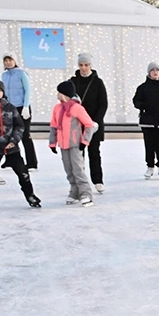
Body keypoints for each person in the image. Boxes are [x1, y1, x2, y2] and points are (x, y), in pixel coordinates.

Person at [0, 78, 40, 209]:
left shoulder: (10, 107)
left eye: (0, 90)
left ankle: (30, 195)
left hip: (12, 147)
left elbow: (19, 126)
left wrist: (13, 141)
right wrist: (2, 141)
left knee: (22, 172)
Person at [49, 80, 98, 206]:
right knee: (69, 170)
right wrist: (52, 143)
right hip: (63, 145)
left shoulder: (77, 108)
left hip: (75, 144)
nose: (57, 95)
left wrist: (84, 141)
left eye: (59, 93)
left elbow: (89, 125)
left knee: (78, 170)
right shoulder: (57, 108)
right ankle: (74, 192)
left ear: (65, 94)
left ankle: (86, 193)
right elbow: (54, 126)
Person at [71, 53, 109, 193]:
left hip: (93, 124)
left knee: (94, 152)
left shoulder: (98, 82)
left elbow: (103, 104)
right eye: (81, 65)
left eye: (86, 65)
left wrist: (96, 121)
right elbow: (67, 101)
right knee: (77, 155)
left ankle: (98, 180)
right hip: (77, 124)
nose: (83, 68)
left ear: (90, 66)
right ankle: (79, 182)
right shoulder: (73, 82)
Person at [133, 61, 159, 180]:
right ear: (149, 73)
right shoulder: (143, 87)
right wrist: (144, 106)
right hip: (148, 121)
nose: (155, 72)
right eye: (152, 70)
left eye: (157, 70)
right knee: (149, 145)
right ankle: (150, 166)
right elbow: (136, 101)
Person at [0, 53, 37, 170]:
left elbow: (28, 90)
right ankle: (11, 159)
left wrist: (26, 106)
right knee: (9, 134)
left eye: (10, 60)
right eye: (6, 60)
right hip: (10, 108)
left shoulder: (21, 73)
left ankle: (32, 162)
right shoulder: (4, 75)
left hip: (22, 107)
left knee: (25, 135)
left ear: (15, 61)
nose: (8, 62)